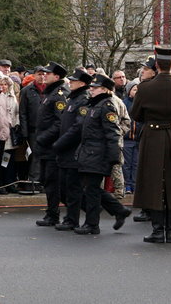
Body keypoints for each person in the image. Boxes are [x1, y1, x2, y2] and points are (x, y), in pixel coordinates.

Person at [128, 48, 171, 244]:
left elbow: (136, 115)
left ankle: (158, 230)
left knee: (154, 182)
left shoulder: (144, 88)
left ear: (157, 65)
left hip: (153, 135)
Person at [72, 73, 131, 235]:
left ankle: (92, 224)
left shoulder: (107, 106)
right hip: (90, 153)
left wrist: (114, 156)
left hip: (98, 154)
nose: (91, 90)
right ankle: (119, 210)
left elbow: (113, 133)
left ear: (104, 89)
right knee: (91, 188)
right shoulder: (96, 104)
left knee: (92, 190)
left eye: (95, 87)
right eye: (91, 87)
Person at [52, 69, 91, 231]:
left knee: (73, 189)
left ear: (82, 83)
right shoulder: (73, 98)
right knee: (65, 187)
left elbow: (78, 127)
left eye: (74, 81)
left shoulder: (83, 100)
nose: (70, 82)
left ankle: (72, 219)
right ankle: (112, 210)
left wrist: (61, 142)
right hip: (66, 151)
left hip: (74, 150)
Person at [30, 62, 68, 227]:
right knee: (48, 181)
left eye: (48, 73)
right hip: (45, 146)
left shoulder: (58, 94)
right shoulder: (50, 93)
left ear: (57, 77)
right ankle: (52, 213)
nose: (44, 75)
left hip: (52, 146)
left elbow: (60, 123)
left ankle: (54, 214)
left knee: (53, 183)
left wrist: (44, 137)